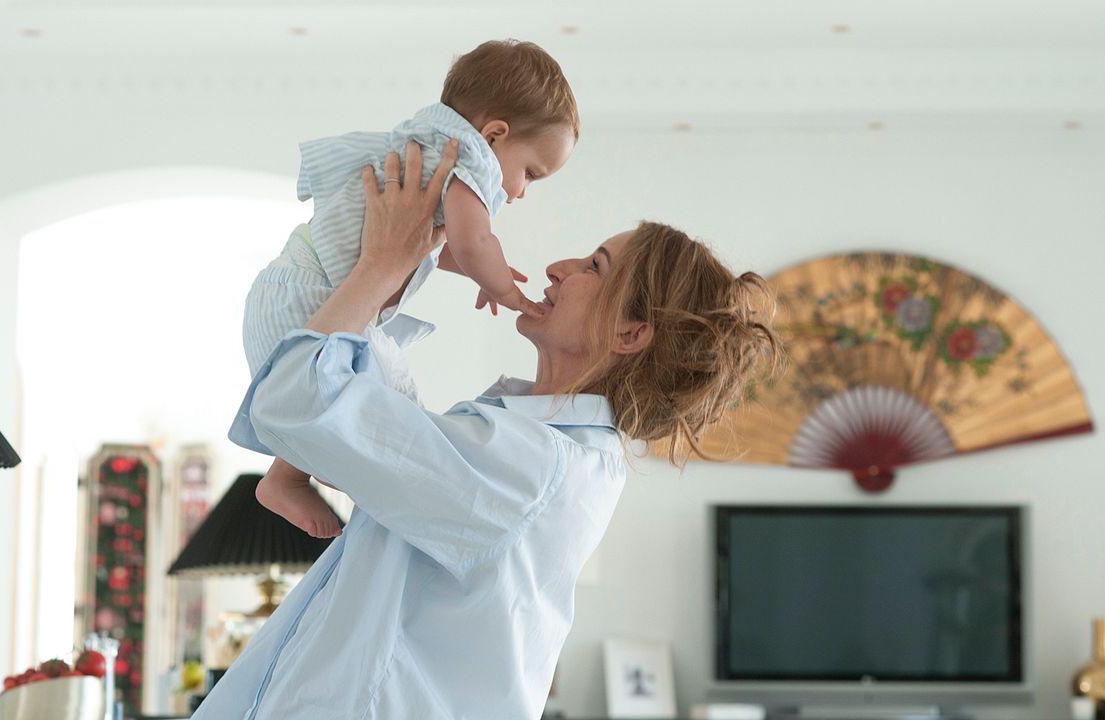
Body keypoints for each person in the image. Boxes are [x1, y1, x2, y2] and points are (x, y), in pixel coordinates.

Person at [203, 142, 780, 720]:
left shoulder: (530, 467)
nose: (559, 267)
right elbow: (338, 408)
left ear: (631, 334)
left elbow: (292, 400)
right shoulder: (526, 447)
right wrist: (403, 263)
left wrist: (383, 264)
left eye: (594, 267)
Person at [245, 39, 580, 538]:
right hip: (309, 291)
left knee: (351, 395)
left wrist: (474, 269)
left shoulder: (424, 145)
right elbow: (472, 239)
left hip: (292, 288)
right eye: (529, 171)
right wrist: (503, 285)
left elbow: (431, 244)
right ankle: (287, 477)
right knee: (365, 400)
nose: (521, 190)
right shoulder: (465, 161)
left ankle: (285, 475)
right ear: (494, 135)